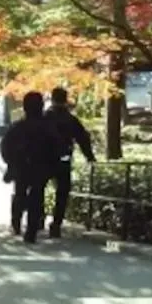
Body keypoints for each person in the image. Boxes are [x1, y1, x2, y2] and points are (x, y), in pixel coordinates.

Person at [0, 91, 60, 244]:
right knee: (37, 196)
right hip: (41, 167)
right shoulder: (49, 128)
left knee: (19, 192)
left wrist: (11, 163)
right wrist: (53, 166)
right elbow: (56, 148)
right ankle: (31, 230)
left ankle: (16, 223)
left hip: (21, 166)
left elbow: (5, 147)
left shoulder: (18, 127)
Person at [45, 87, 96, 239]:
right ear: (65, 100)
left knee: (38, 188)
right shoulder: (71, 119)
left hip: (44, 160)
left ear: (52, 99)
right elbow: (83, 138)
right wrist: (90, 156)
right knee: (62, 192)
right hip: (64, 159)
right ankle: (56, 224)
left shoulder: (44, 117)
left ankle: (38, 218)